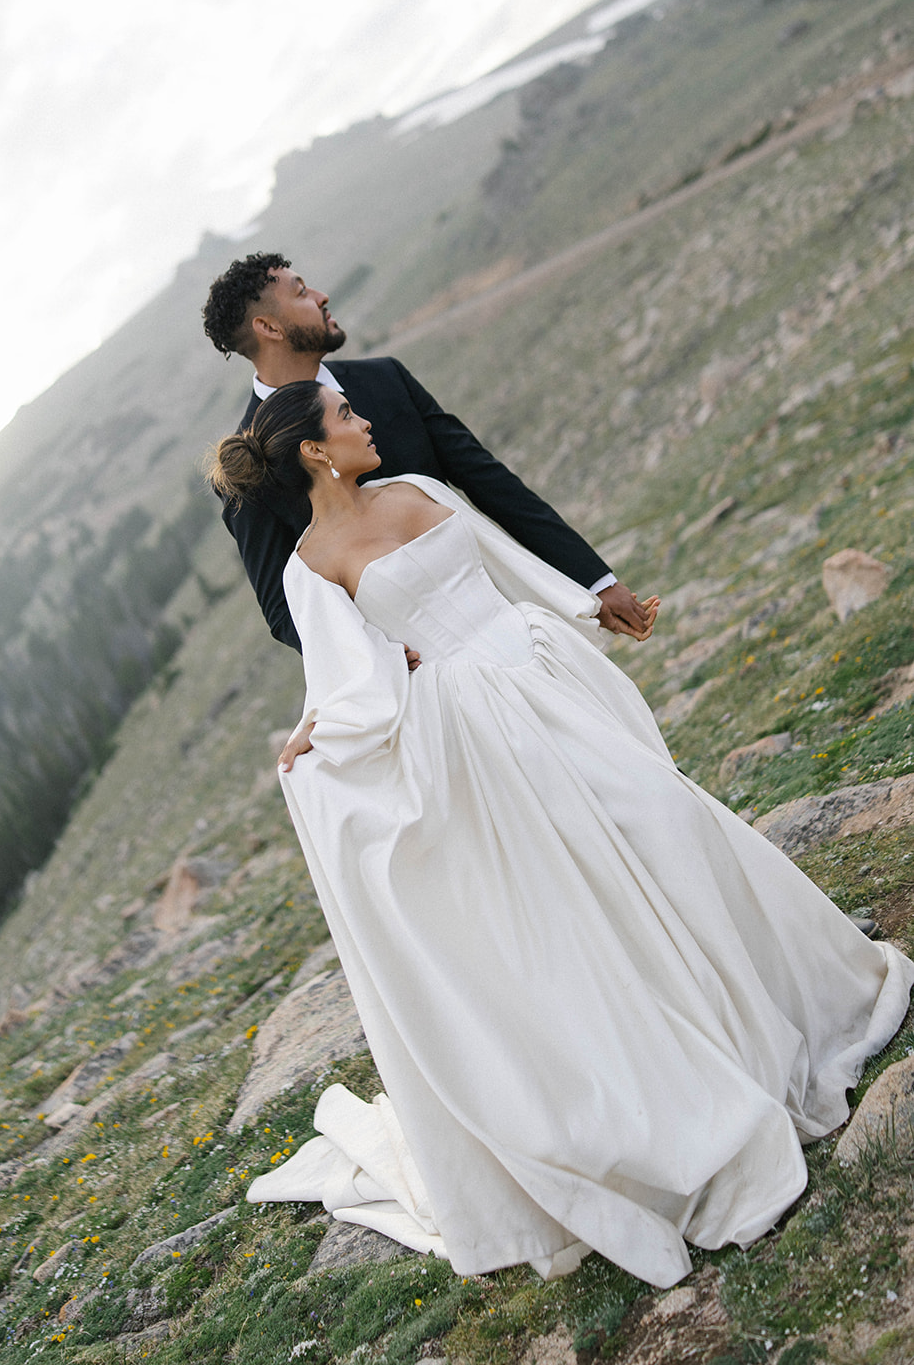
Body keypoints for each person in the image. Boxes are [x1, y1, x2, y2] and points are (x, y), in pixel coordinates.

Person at [210, 380, 914, 1290]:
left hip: (545, 673)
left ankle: (780, 1009)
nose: (366, 420)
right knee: (592, 890)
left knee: (664, 823)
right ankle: (693, 1075)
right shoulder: (309, 568)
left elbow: (504, 559)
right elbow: (350, 684)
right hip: (477, 730)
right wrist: (321, 733)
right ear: (313, 451)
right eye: (346, 418)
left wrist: (589, 603)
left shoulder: (418, 489)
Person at [202, 252, 653, 652]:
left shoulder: (387, 379)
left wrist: (594, 580)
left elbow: (491, 482)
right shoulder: (250, 464)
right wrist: (376, 657)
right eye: (301, 292)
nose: (321, 296)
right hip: (418, 675)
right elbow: (285, 611)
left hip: (508, 621)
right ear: (268, 327)